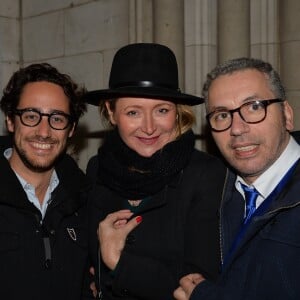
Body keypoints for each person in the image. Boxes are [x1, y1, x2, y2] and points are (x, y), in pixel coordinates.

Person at [85, 43, 227, 300]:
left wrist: (116, 261)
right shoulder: (97, 168)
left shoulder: (206, 174)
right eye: (133, 112)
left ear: (177, 112)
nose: (149, 127)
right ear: (111, 111)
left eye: (161, 110)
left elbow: (198, 286)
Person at [174, 57, 300, 300]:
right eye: (221, 115)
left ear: (286, 114)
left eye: (254, 107)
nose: (237, 128)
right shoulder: (216, 189)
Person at [0, 63, 92, 300]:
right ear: (10, 120)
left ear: (70, 129)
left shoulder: (85, 202)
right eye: (31, 116)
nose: (44, 131)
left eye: (57, 119)